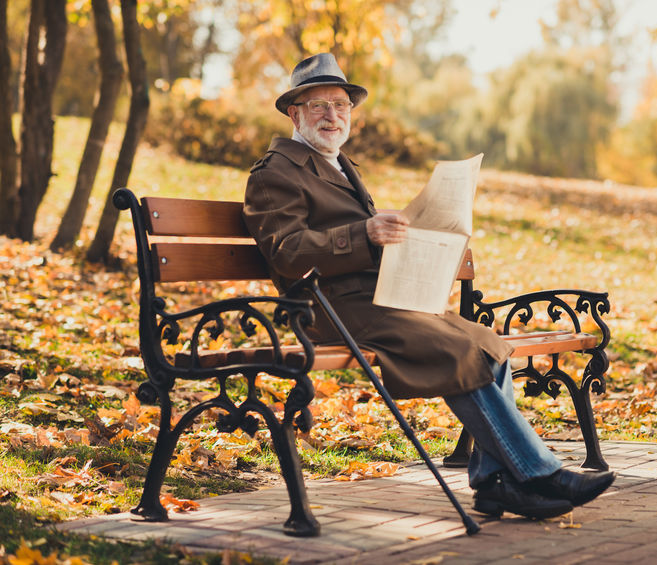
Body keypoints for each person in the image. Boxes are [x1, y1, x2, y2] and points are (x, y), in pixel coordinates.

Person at [243, 53, 614, 520]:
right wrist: (365, 234)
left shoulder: (339, 165)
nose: (332, 115)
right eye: (318, 105)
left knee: (487, 344)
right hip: (329, 309)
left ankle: (493, 483)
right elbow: (287, 253)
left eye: (341, 105)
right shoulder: (276, 171)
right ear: (294, 113)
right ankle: (536, 473)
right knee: (457, 351)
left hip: (379, 299)